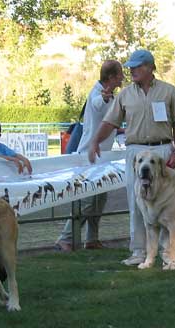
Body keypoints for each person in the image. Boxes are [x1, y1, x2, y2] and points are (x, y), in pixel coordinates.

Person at [88, 49, 175, 266]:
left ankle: (168, 254)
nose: (131, 70)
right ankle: (139, 252)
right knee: (137, 202)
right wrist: (95, 141)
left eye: (136, 66)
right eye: (130, 66)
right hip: (135, 153)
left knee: (167, 203)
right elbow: (110, 122)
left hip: (162, 151)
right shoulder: (124, 95)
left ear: (150, 67)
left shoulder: (169, 92)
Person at [55, 60, 125, 252]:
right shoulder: (99, 95)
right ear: (111, 78)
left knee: (99, 200)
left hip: (101, 157)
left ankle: (92, 239)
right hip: (91, 156)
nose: (122, 78)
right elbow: (97, 105)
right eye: (119, 75)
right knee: (88, 202)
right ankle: (65, 238)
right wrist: (104, 98)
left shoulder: (107, 95)